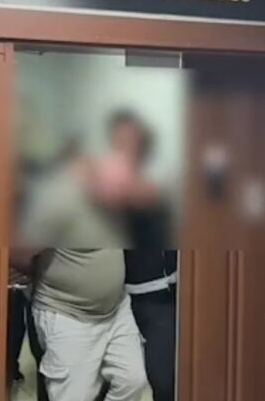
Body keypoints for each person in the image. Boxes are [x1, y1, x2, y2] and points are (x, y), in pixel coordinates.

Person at [12, 135, 149, 401]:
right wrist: (37, 274)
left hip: (115, 311)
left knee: (132, 381)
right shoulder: (58, 202)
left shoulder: (114, 199)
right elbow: (17, 253)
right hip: (68, 315)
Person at [104, 111, 178, 401]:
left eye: (133, 140)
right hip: (118, 299)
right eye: (120, 141)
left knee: (163, 380)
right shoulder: (102, 183)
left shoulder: (161, 178)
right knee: (114, 380)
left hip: (163, 297)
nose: (128, 148)